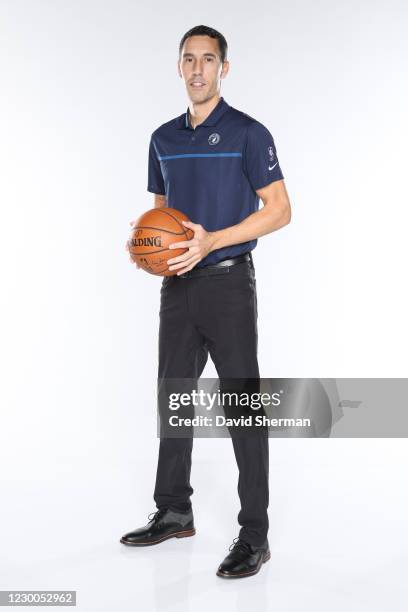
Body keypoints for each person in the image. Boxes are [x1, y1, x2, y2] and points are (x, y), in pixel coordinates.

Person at [121, 25, 291, 579]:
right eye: (189, 59)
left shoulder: (248, 132)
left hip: (227, 283)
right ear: (178, 67)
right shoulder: (162, 138)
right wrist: (150, 251)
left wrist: (212, 241)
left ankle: (255, 535)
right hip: (179, 289)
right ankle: (173, 509)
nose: (198, 69)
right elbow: (161, 212)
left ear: (224, 68)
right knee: (173, 398)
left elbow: (280, 209)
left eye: (208, 60)